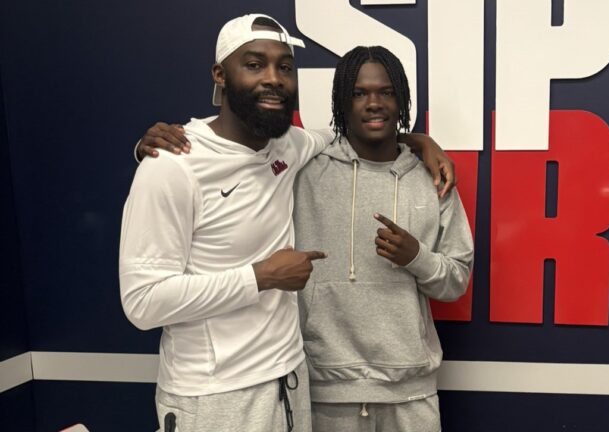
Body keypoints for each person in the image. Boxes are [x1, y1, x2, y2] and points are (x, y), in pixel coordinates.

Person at [122, 14, 455, 432]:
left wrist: (419, 140)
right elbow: (142, 302)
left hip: (290, 383)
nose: (274, 78)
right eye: (255, 64)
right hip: (213, 394)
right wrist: (260, 276)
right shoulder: (173, 165)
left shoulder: (290, 145)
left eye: (284, 67)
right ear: (220, 74)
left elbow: (362, 133)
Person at [293, 46, 474, 432]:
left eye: (386, 92)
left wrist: (417, 258)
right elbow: (239, 150)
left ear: (402, 100)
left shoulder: (433, 178)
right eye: (359, 93)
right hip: (327, 391)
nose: (373, 103)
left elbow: (456, 280)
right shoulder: (305, 172)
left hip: (411, 393)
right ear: (342, 101)